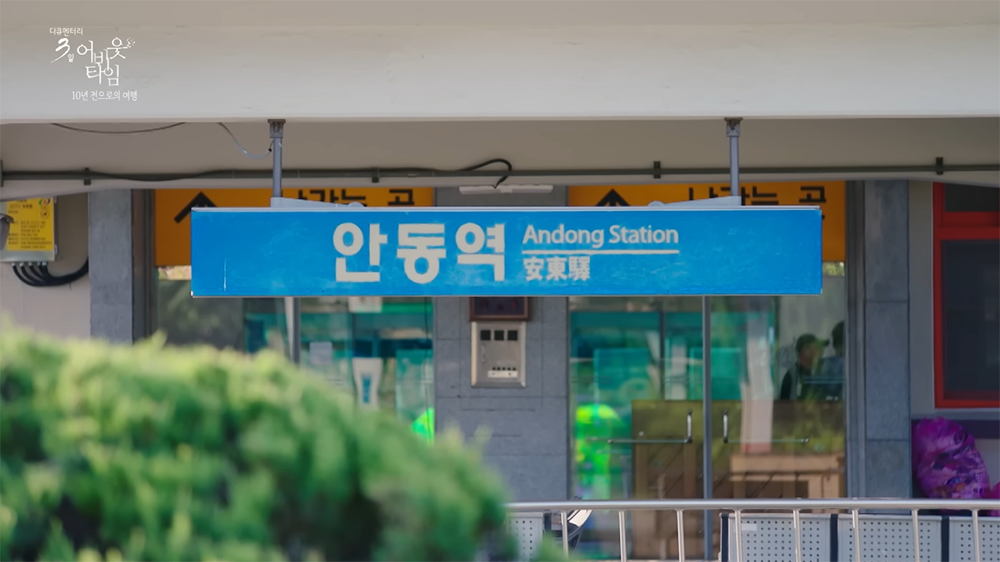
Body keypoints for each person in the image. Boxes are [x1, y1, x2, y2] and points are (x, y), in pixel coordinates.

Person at [779, 333, 825, 400]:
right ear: (801, 351)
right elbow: (785, 402)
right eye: (809, 348)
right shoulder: (792, 376)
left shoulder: (817, 372)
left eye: (815, 348)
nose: (814, 351)